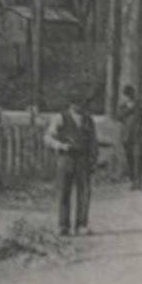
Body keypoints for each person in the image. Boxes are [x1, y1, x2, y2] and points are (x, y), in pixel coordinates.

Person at [44, 88, 99, 236]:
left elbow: (93, 141)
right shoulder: (60, 117)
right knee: (64, 191)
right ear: (71, 104)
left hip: (83, 159)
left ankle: (81, 225)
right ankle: (63, 225)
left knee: (84, 192)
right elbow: (48, 137)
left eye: (83, 103)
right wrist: (60, 146)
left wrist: (94, 159)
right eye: (78, 103)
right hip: (66, 157)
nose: (81, 106)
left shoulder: (88, 119)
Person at [117, 85, 142, 190]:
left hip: (139, 136)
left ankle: (138, 182)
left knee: (138, 158)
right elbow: (118, 116)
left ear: (133, 95)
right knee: (130, 160)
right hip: (126, 137)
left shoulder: (141, 105)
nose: (129, 97)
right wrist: (129, 109)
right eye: (126, 96)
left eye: (130, 95)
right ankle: (133, 180)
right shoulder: (122, 107)